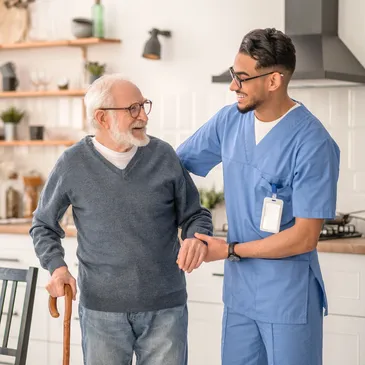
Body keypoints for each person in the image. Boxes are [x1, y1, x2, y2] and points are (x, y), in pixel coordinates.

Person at [176, 28, 340, 365]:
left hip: (287, 298)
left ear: (274, 81)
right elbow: (174, 167)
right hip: (240, 297)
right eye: (234, 74)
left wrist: (230, 249)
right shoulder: (229, 122)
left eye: (243, 77)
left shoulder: (312, 143)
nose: (233, 85)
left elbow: (305, 237)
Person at [30, 74, 212, 365]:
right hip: (101, 311)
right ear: (102, 118)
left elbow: (195, 214)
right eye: (133, 109)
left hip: (165, 308)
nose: (143, 116)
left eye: (143, 106)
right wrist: (57, 267)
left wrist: (196, 237)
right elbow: (43, 225)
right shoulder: (72, 163)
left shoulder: (163, 155)